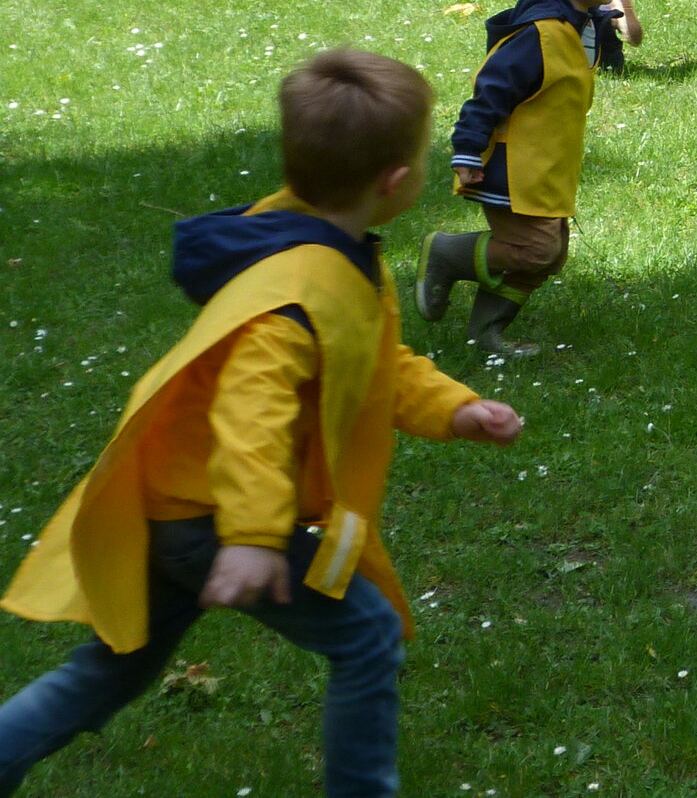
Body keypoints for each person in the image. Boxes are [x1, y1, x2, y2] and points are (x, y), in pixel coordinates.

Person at [0, 51, 523, 798]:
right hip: (216, 518)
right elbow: (251, 417)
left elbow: (372, 357)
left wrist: (453, 406)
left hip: (181, 505)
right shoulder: (292, 294)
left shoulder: (317, 243)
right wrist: (249, 539)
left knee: (114, 668)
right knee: (367, 636)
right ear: (395, 183)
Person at [419, 0, 630, 358]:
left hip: (546, 167)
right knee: (533, 251)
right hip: (509, 167)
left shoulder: (582, 17)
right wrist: (467, 151)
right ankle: (447, 254)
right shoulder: (538, 34)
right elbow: (488, 93)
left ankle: (487, 333)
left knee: (549, 255)